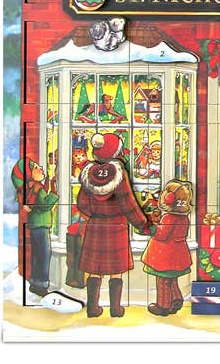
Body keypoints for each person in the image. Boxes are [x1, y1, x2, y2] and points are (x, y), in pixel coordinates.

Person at [77, 132, 153, 318]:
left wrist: (93, 216)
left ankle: (92, 308)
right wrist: (143, 225)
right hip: (117, 225)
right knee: (116, 272)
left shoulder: (88, 173)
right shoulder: (120, 174)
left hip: (95, 226)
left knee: (94, 270)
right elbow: (128, 204)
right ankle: (115, 309)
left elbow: (81, 203)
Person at [141, 179, 194, 315]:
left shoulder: (169, 218)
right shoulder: (184, 218)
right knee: (172, 279)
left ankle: (163, 306)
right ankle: (176, 299)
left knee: (163, 281)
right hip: (178, 255)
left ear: (169, 198)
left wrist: (151, 228)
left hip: (165, 257)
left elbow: (162, 234)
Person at [11, 158, 59, 297]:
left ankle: (34, 283)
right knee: (44, 255)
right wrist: (54, 193)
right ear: (29, 174)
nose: (41, 169)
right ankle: (42, 285)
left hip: (34, 225)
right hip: (41, 225)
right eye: (37, 168)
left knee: (37, 255)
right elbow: (44, 206)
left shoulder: (27, 189)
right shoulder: (38, 188)